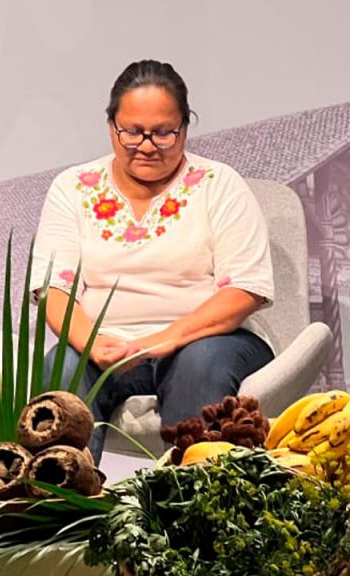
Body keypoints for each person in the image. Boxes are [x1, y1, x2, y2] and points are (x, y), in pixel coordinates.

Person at [30, 60, 275, 463]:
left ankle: (191, 496)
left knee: (199, 363)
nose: (146, 145)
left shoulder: (219, 184)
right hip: (106, 344)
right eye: (132, 132)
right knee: (63, 365)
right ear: (111, 126)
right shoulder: (72, 188)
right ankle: (64, 497)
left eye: (163, 132)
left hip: (208, 342)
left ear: (185, 127)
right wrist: (93, 344)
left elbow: (244, 289)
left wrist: (169, 337)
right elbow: (54, 289)